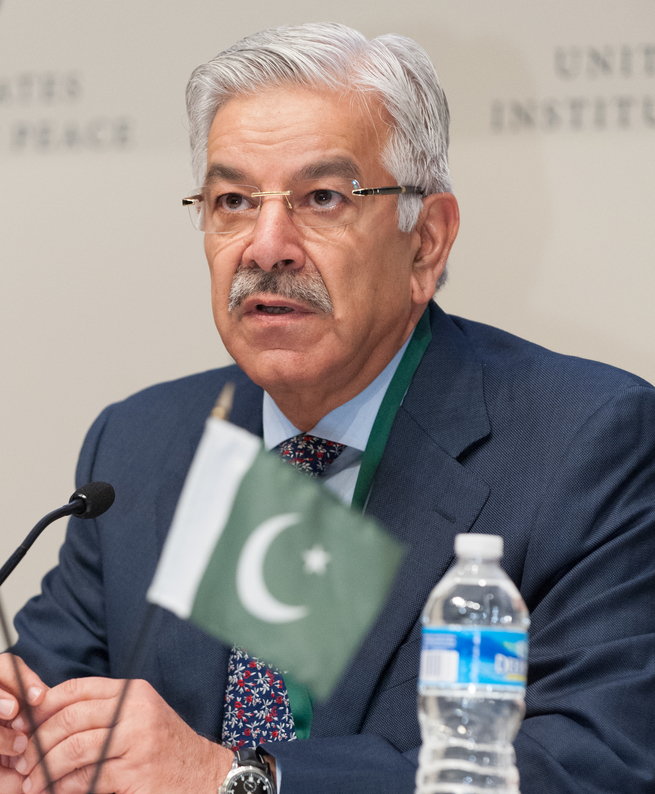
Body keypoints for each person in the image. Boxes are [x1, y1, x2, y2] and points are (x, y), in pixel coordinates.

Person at [1, 21, 654, 794]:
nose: (265, 245)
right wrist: (18, 738)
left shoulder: (585, 442)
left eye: (321, 198)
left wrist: (235, 778)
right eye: (232, 200)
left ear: (426, 242)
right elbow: (44, 714)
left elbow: (592, 763)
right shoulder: (139, 447)